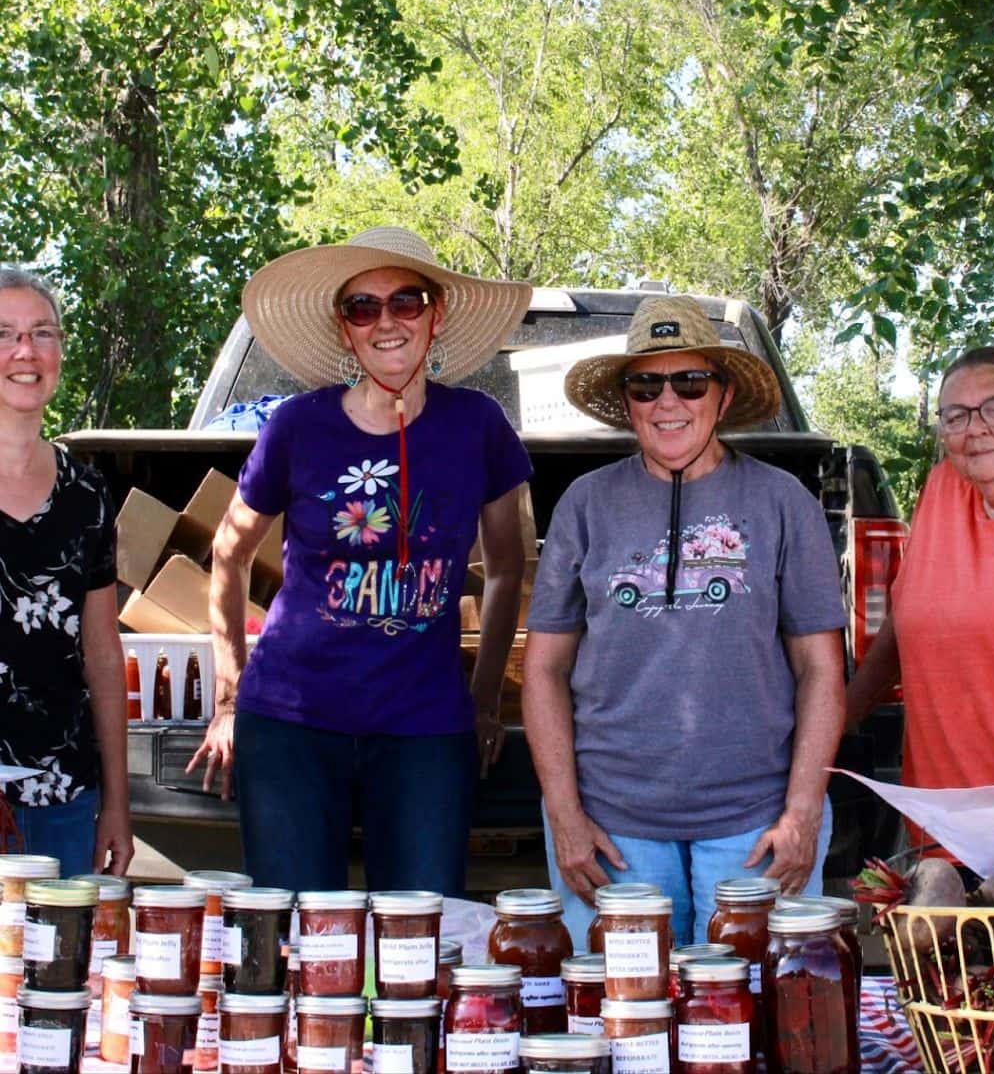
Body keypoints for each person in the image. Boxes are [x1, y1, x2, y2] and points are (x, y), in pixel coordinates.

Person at [187, 226, 533, 896]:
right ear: (345, 331)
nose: (386, 322)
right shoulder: (295, 426)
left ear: (436, 316)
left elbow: (509, 568)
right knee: (293, 939)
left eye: (406, 302)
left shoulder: (479, 425)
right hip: (291, 724)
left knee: (422, 940)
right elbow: (228, 557)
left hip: (425, 730)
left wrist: (485, 698)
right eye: (362, 307)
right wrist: (230, 698)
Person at [522, 295, 847, 946]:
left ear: (722, 397)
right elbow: (544, 669)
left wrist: (803, 811)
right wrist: (564, 813)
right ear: (628, 401)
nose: (668, 402)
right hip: (613, 826)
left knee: (749, 1028)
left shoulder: (783, 502)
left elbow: (820, 670)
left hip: (755, 826)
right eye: (646, 385)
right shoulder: (586, 505)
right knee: (627, 1029)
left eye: (689, 382)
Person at [847, 346, 994, 845]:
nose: (975, 429)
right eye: (955, 416)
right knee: (934, 924)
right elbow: (902, 625)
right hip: (945, 824)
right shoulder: (942, 489)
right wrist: (838, 721)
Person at [0, 266, 134, 876]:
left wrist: (118, 803)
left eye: (43, 333)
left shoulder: (87, 492)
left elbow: (103, 654)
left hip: (65, 798)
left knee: (64, 971)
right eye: (5, 334)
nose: (26, 351)